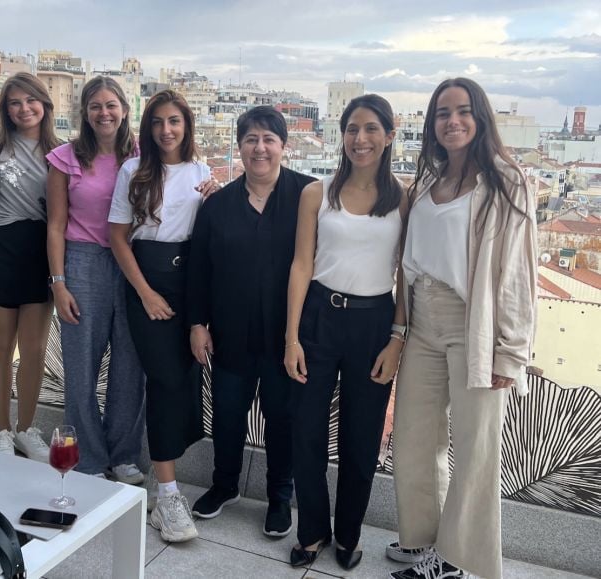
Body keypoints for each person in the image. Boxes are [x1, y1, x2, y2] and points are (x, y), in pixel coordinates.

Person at [389, 78, 537, 579]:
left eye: (463, 111)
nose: (452, 121)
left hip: (473, 325)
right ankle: (426, 544)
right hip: (423, 323)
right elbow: (408, 262)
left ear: (481, 118)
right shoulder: (428, 182)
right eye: (442, 113)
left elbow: (518, 274)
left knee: (474, 450)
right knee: (413, 438)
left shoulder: (506, 182)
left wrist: (509, 353)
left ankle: (454, 561)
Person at [284, 94, 407, 570]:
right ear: (342, 136)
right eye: (353, 128)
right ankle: (312, 530)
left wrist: (397, 338)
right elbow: (301, 265)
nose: (361, 138)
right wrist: (291, 337)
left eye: (372, 128)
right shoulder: (317, 193)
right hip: (319, 316)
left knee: (362, 437)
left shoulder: (405, 197)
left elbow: (408, 274)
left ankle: (349, 534)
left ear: (390, 136)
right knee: (307, 431)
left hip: (375, 322)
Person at [187, 106, 315, 537]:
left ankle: (280, 497)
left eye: (268, 139)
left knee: (282, 420)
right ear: (239, 146)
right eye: (251, 140)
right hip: (230, 334)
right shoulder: (217, 205)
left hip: (286, 337)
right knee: (226, 414)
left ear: (284, 145)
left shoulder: (307, 196)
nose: (260, 148)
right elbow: (199, 270)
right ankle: (224, 486)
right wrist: (197, 323)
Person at [108, 89, 217, 542]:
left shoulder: (202, 171)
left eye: (174, 121)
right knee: (164, 379)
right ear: (148, 128)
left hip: (189, 281)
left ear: (186, 125)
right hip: (147, 284)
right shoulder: (133, 170)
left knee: (186, 376)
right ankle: (167, 495)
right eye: (158, 122)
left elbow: (206, 235)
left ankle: (163, 477)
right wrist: (145, 293)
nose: (166, 130)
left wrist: (217, 195)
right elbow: (117, 236)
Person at [45, 76, 145, 482]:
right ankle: (88, 458)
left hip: (134, 263)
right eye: (95, 106)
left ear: (124, 109)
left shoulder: (144, 155)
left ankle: (124, 456)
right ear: (84, 113)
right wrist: (58, 282)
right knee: (81, 365)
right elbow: (55, 224)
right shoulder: (64, 158)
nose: (105, 113)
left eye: (111, 105)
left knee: (130, 364)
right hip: (83, 263)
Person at [0, 72, 59, 460]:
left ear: (45, 104)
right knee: (1, 347)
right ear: (5, 109)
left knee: (35, 349)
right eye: (14, 103)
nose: (24, 109)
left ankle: (27, 428)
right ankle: (2, 430)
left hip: (40, 254)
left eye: (30, 100)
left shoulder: (62, 151)